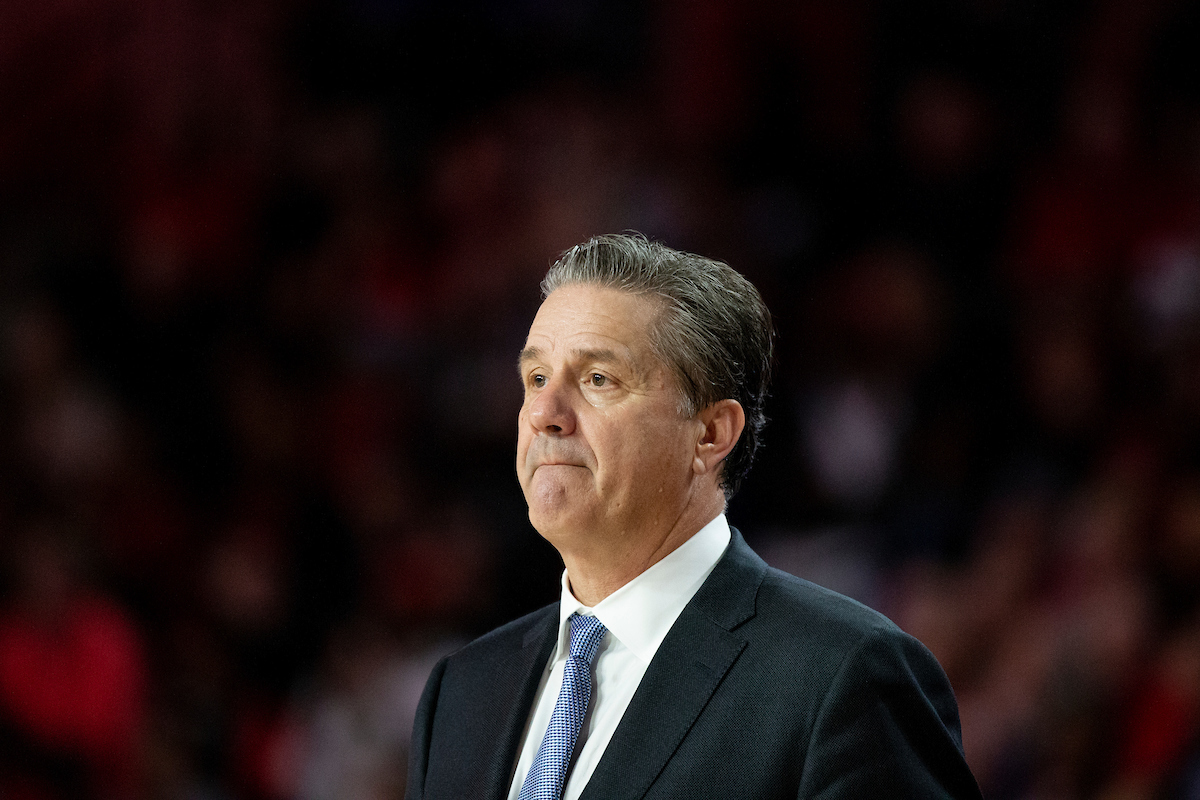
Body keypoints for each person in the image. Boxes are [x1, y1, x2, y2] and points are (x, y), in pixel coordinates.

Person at [406, 233, 982, 799]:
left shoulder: (842, 678)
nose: (545, 414)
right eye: (536, 379)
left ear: (709, 434)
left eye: (597, 380)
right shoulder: (461, 693)